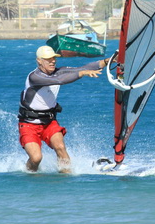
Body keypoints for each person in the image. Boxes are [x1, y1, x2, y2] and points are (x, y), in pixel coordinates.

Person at [18, 45, 113, 173]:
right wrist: (82, 74)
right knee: (36, 158)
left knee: (60, 147)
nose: (52, 61)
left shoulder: (58, 71)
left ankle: (65, 180)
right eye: (48, 59)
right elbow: (59, 80)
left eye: (54, 58)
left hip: (49, 122)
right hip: (29, 124)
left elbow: (83, 68)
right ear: (39, 60)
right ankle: (29, 175)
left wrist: (108, 61)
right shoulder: (34, 77)